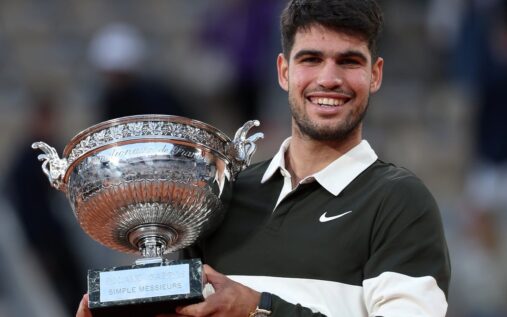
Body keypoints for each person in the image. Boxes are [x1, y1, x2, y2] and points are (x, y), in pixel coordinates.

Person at [77, 0, 451, 316]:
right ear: (284, 72)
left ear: (375, 75)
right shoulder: (218, 198)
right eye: (311, 59)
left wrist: (259, 308)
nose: (329, 78)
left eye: (349, 61)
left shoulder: (400, 203)